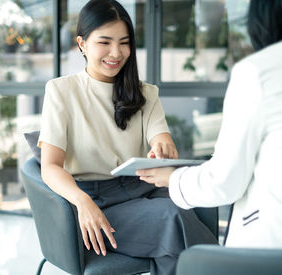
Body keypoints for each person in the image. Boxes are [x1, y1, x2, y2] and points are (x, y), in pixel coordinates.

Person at [38, 0, 217, 274]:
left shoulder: (146, 93)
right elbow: (49, 166)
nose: (116, 52)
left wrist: (163, 146)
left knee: (187, 207)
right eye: (105, 42)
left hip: (141, 188)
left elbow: (162, 138)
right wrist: (82, 202)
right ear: (82, 44)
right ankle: (223, 265)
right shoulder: (61, 91)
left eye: (124, 42)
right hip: (94, 201)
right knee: (171, 219)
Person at [137, 0, 282, 248]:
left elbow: (224, 181)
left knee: (174, 227)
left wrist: (173, 179)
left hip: (269, 246)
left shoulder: (258, 72)